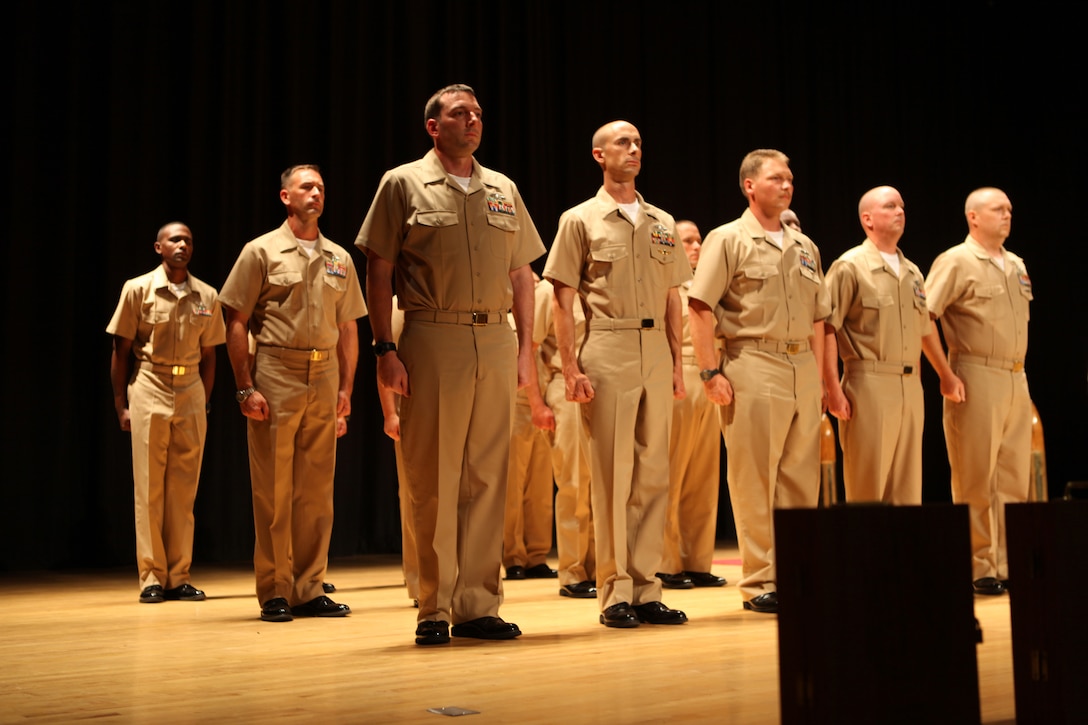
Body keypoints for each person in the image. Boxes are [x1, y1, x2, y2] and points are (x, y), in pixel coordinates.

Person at [356, 83, 544, 645]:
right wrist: (384, 349)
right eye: (460, 113)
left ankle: (478, 603)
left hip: (495, 337)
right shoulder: (403, 182)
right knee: (434, 475)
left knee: (488, 477)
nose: (474, 120)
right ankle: (434, 606)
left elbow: (520, 276)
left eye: (479, 113)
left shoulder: (502, 189)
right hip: (432, 334)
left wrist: (527, 347)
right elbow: (380, 268)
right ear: (433, 126)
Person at [543, 120, 691, 629]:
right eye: (623, 144)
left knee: (653, 473)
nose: (633, 150)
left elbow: (674, 297)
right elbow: (563, 299)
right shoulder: (580, 220)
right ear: (598, 156)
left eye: (638, 144)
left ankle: (647, 586)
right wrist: (569, 366)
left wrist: (675, 363)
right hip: (607, 343)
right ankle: (614, 590)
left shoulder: (662, 221)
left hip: (654, 348)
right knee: (611, 473)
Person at [220, 164, 367, 622]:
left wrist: (346, 387)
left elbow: (348, 328)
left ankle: (309, 586)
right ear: (285, 196)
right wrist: (245, 387)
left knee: (316, 491)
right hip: (277, 372)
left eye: (321, 187)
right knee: (274, 489)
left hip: (323, 375)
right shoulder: (260, 251)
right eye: (306, 186)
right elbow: (237, 322)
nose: (316, 193)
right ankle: (275, 589)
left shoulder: (339, 257)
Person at [688, 149, 830, 614]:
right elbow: (701, 307)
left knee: (799, 479)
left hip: (801, 368)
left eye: (790, 178)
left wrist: (826, 380)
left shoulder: (805, 246)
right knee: (754, 479)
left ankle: (798, 571)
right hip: (754, 362)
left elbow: (818, 318)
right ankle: (760, 580)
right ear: (749, 185)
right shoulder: (729, 238)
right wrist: (710, 372)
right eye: (776, 178)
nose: (786, 185)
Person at [107, 222, 225, 604]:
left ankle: (178, 575)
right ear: (158, 247)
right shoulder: (138, 289)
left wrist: (203, 401)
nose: (183, 245)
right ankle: (151, 576)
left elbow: (210, 355)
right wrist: (121, 405)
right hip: (150, 384)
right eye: (175, 239)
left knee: (183, 489)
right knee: (149, 486)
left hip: (190, 388)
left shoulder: (206, 294)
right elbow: (121, 351)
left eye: (189, 240)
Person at [922, 187, 1031, 597]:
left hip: (1015, 376)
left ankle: (1008, 559)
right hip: (976, 372)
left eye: (1009, 208)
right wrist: (946, 373)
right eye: (998, 209)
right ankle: (980, 563)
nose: (1007, 214)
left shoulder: (1016, 263)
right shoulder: (956, 260)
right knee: (975, 475)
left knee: (1013, 477)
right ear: (973, 217)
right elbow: (924, 316)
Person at [822, 186, 942, 504]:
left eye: (902, 206)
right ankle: (863, 553)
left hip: (910, 384)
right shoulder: (850, 266)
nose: (900, 211)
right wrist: (832, 388)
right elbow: (827, 327)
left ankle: (903, 554)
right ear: (868, 218)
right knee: (868, 485)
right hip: (869, 382)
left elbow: (924, 330)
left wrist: (945, 374)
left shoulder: (913, 272)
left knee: (907, 487)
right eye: (890, 206)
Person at [658, 220, 727, 590]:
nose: (697, 246)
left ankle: (697, 560)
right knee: (672, 472)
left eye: (699, 239)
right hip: (680, 372)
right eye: (688, 240)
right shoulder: (666, 284)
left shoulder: (708, 285)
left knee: (704, 474)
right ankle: (667, 563)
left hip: (710, 375)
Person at [536, 277, 597, 599]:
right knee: (573, 481)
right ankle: (573, 570)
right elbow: (531, 349)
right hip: (565, 383)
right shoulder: (550, 292)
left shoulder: (605, 286)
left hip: (605, 383)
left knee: (605, 484)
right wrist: (536, 402)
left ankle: (603, 567)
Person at [502, 280, 558, 581]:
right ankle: (513, 556)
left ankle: (537, 554)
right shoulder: (502, 317)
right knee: (512, 484)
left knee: (540, 485)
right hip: (516, 402)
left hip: (545, 397)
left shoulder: (542, 308)